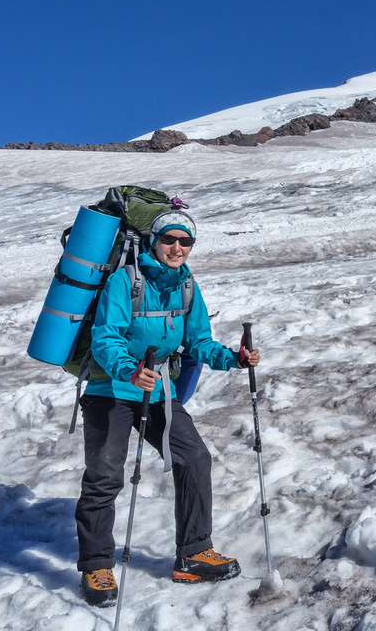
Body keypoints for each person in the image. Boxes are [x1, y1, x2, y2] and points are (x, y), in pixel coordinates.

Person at [74, 209, 261, 608]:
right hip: (111, 390)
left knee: (193, 458)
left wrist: (234, 359)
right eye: (170, 240)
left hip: (159, 391)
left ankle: (193, 554)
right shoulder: (124, 281)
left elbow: (198, 342)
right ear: (153, 242)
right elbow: (106, 337)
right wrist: (129, 369)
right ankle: (96, 565)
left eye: (185, 242)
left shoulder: (188, 286)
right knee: (105, 476)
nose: (177, 248)